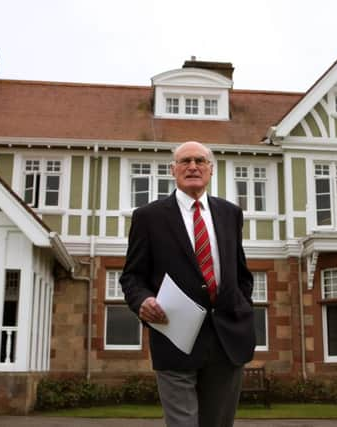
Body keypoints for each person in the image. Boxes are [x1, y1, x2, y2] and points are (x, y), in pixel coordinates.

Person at [120, 141, 255, 427]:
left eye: (199, 161)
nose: (192, 166)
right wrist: (143, 300)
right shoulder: (149, 217)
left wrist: (242, 308)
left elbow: (241, 273)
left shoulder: (231, 214)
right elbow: (132, 277)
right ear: (173, 170)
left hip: (227, 340)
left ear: (210, 170)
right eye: (184, 161)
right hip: (174, 338)